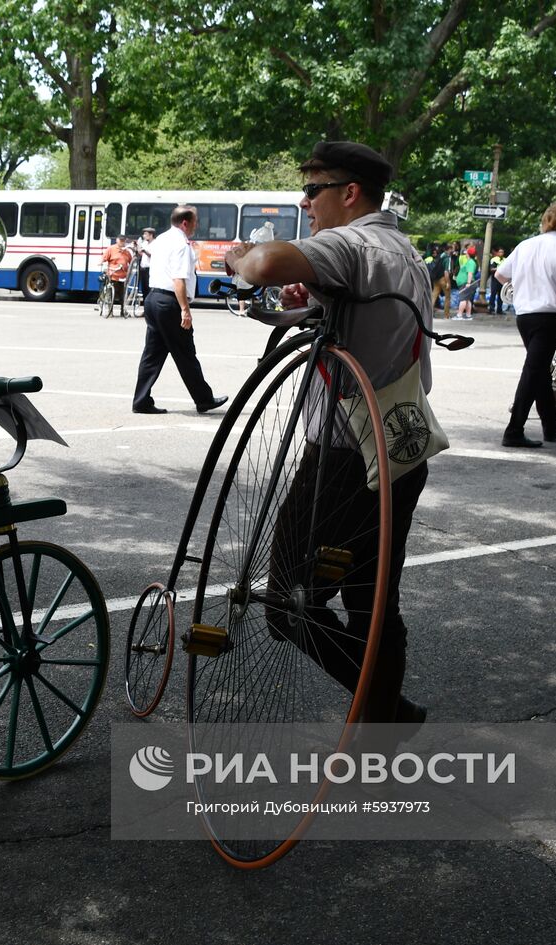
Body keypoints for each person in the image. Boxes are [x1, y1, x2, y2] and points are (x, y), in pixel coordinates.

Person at [222, 139, 432, 726]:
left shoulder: (351, 241)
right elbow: (350, 323)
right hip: (399, 450)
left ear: (350, 193)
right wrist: (307, 300)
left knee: (287, 602)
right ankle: (384, 713)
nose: (305, 201)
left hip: (342, 458)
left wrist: (242, 260)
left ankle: (382, 708)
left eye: (314, 190)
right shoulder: (400, 249)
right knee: (371, 601)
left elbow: (263, 265)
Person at [494, 203, 556, 448]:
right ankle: (514, 429)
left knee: (540, 369)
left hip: (525, 315)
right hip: (550, 316)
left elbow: (500, 275)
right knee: (533, 371)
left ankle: (550, 423)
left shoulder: (525, 245)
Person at [131, 206, 227, 416]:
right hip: (169, 302)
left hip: (153, 299)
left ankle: (141, 400)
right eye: (195, 221)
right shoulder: (182, 245)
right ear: (185, 222)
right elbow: (178, 280)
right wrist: (185, 309)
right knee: (185, 353)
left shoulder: (161, 240)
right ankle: (204, 400)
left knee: (152, 354)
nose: (197, 225)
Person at [100, 235, 132, 316]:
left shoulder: (127, 251)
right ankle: (110, 312)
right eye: (120, 240)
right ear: (117, 240)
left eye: (123, 241)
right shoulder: (111, 249)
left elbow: (131, 262)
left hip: (123, 276)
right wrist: (101, 263)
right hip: (113, 274)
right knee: (111, 295)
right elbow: (104, 258)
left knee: (123, 295)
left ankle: (123, 311)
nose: (122, 242)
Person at [454, 245, 477, 319]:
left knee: (463, 299)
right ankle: (468, 315)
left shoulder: (471, 262)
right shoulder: (470, 261)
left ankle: (459, 315)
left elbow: (470, 273)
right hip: (466, 283)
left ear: (468, 254)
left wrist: (468, 283)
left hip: (466, 283)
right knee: (467, 299)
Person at [137, 227, 155, 302]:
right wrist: (137, 247)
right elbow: (141, 253)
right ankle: (145, 309)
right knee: (144, 290)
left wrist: (145, 251)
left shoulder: (155, 243)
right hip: (143, 268)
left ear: (151, 235)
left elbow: (152, 255)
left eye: (145, 234)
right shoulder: (144, 243)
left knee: (149, 289)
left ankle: (149, 309)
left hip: (150, 269)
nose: (144, 236)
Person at [486, 246, 506, 313]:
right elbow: (491, 269)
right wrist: (499, 269)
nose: (501, 253)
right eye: (500, 252)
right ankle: (491, 309)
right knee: (493, 294)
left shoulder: (505, 260)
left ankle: (499, 309)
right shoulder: (494, 260)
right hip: (495, 279)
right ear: (497, 253)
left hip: (502, 280)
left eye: (502, 252)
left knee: (501, 295)